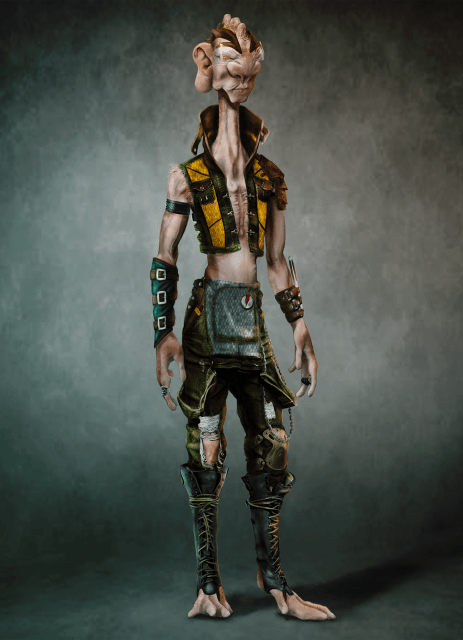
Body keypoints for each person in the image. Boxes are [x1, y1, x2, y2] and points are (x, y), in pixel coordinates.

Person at [151, 14, 335, 621]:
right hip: (206, 323)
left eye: (248, 63)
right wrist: (163, 331)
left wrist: (300, 325)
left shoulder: (269, 177)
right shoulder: (187, 176)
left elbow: (277, 261)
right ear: (209, 65)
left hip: (252, 322)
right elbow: (165, 255)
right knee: (205, 448)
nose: (242, 76)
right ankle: (208, 583)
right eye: (230, 62)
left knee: (272, 442)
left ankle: (276, 581)